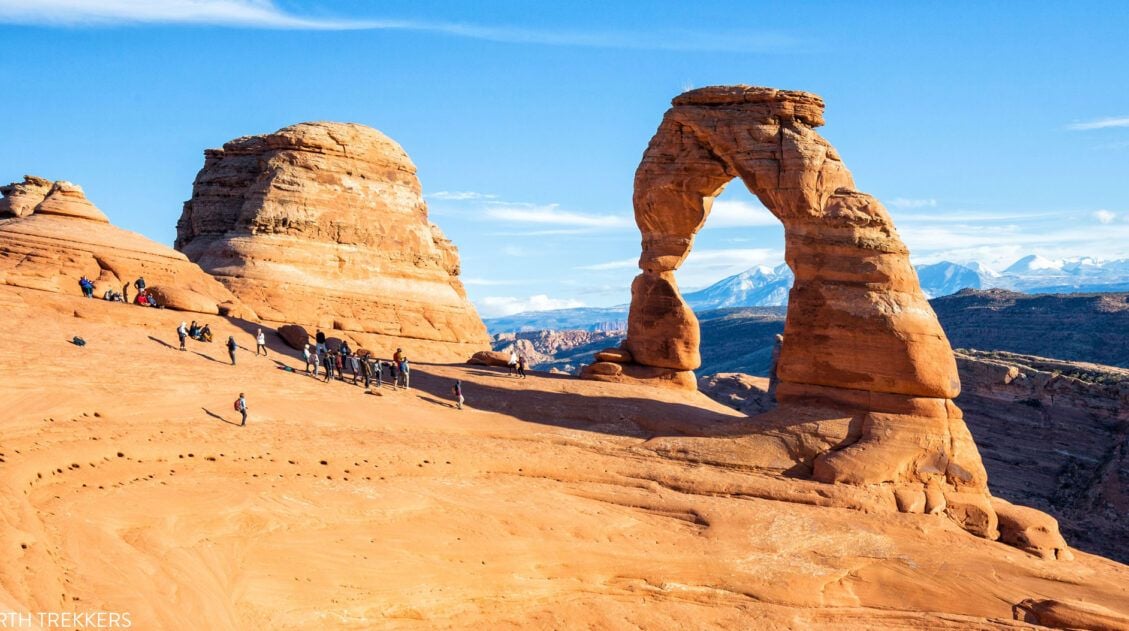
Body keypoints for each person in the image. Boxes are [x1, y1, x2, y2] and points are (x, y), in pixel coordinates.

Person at [767, 334, 784, 402]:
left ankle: (774, 397)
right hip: (777, 363)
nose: (776, 338)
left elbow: (776, 355)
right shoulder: (780, 345)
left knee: (775, 379)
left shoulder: (779, 345)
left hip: (778, 364)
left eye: (777, 338)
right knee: (774, 378)